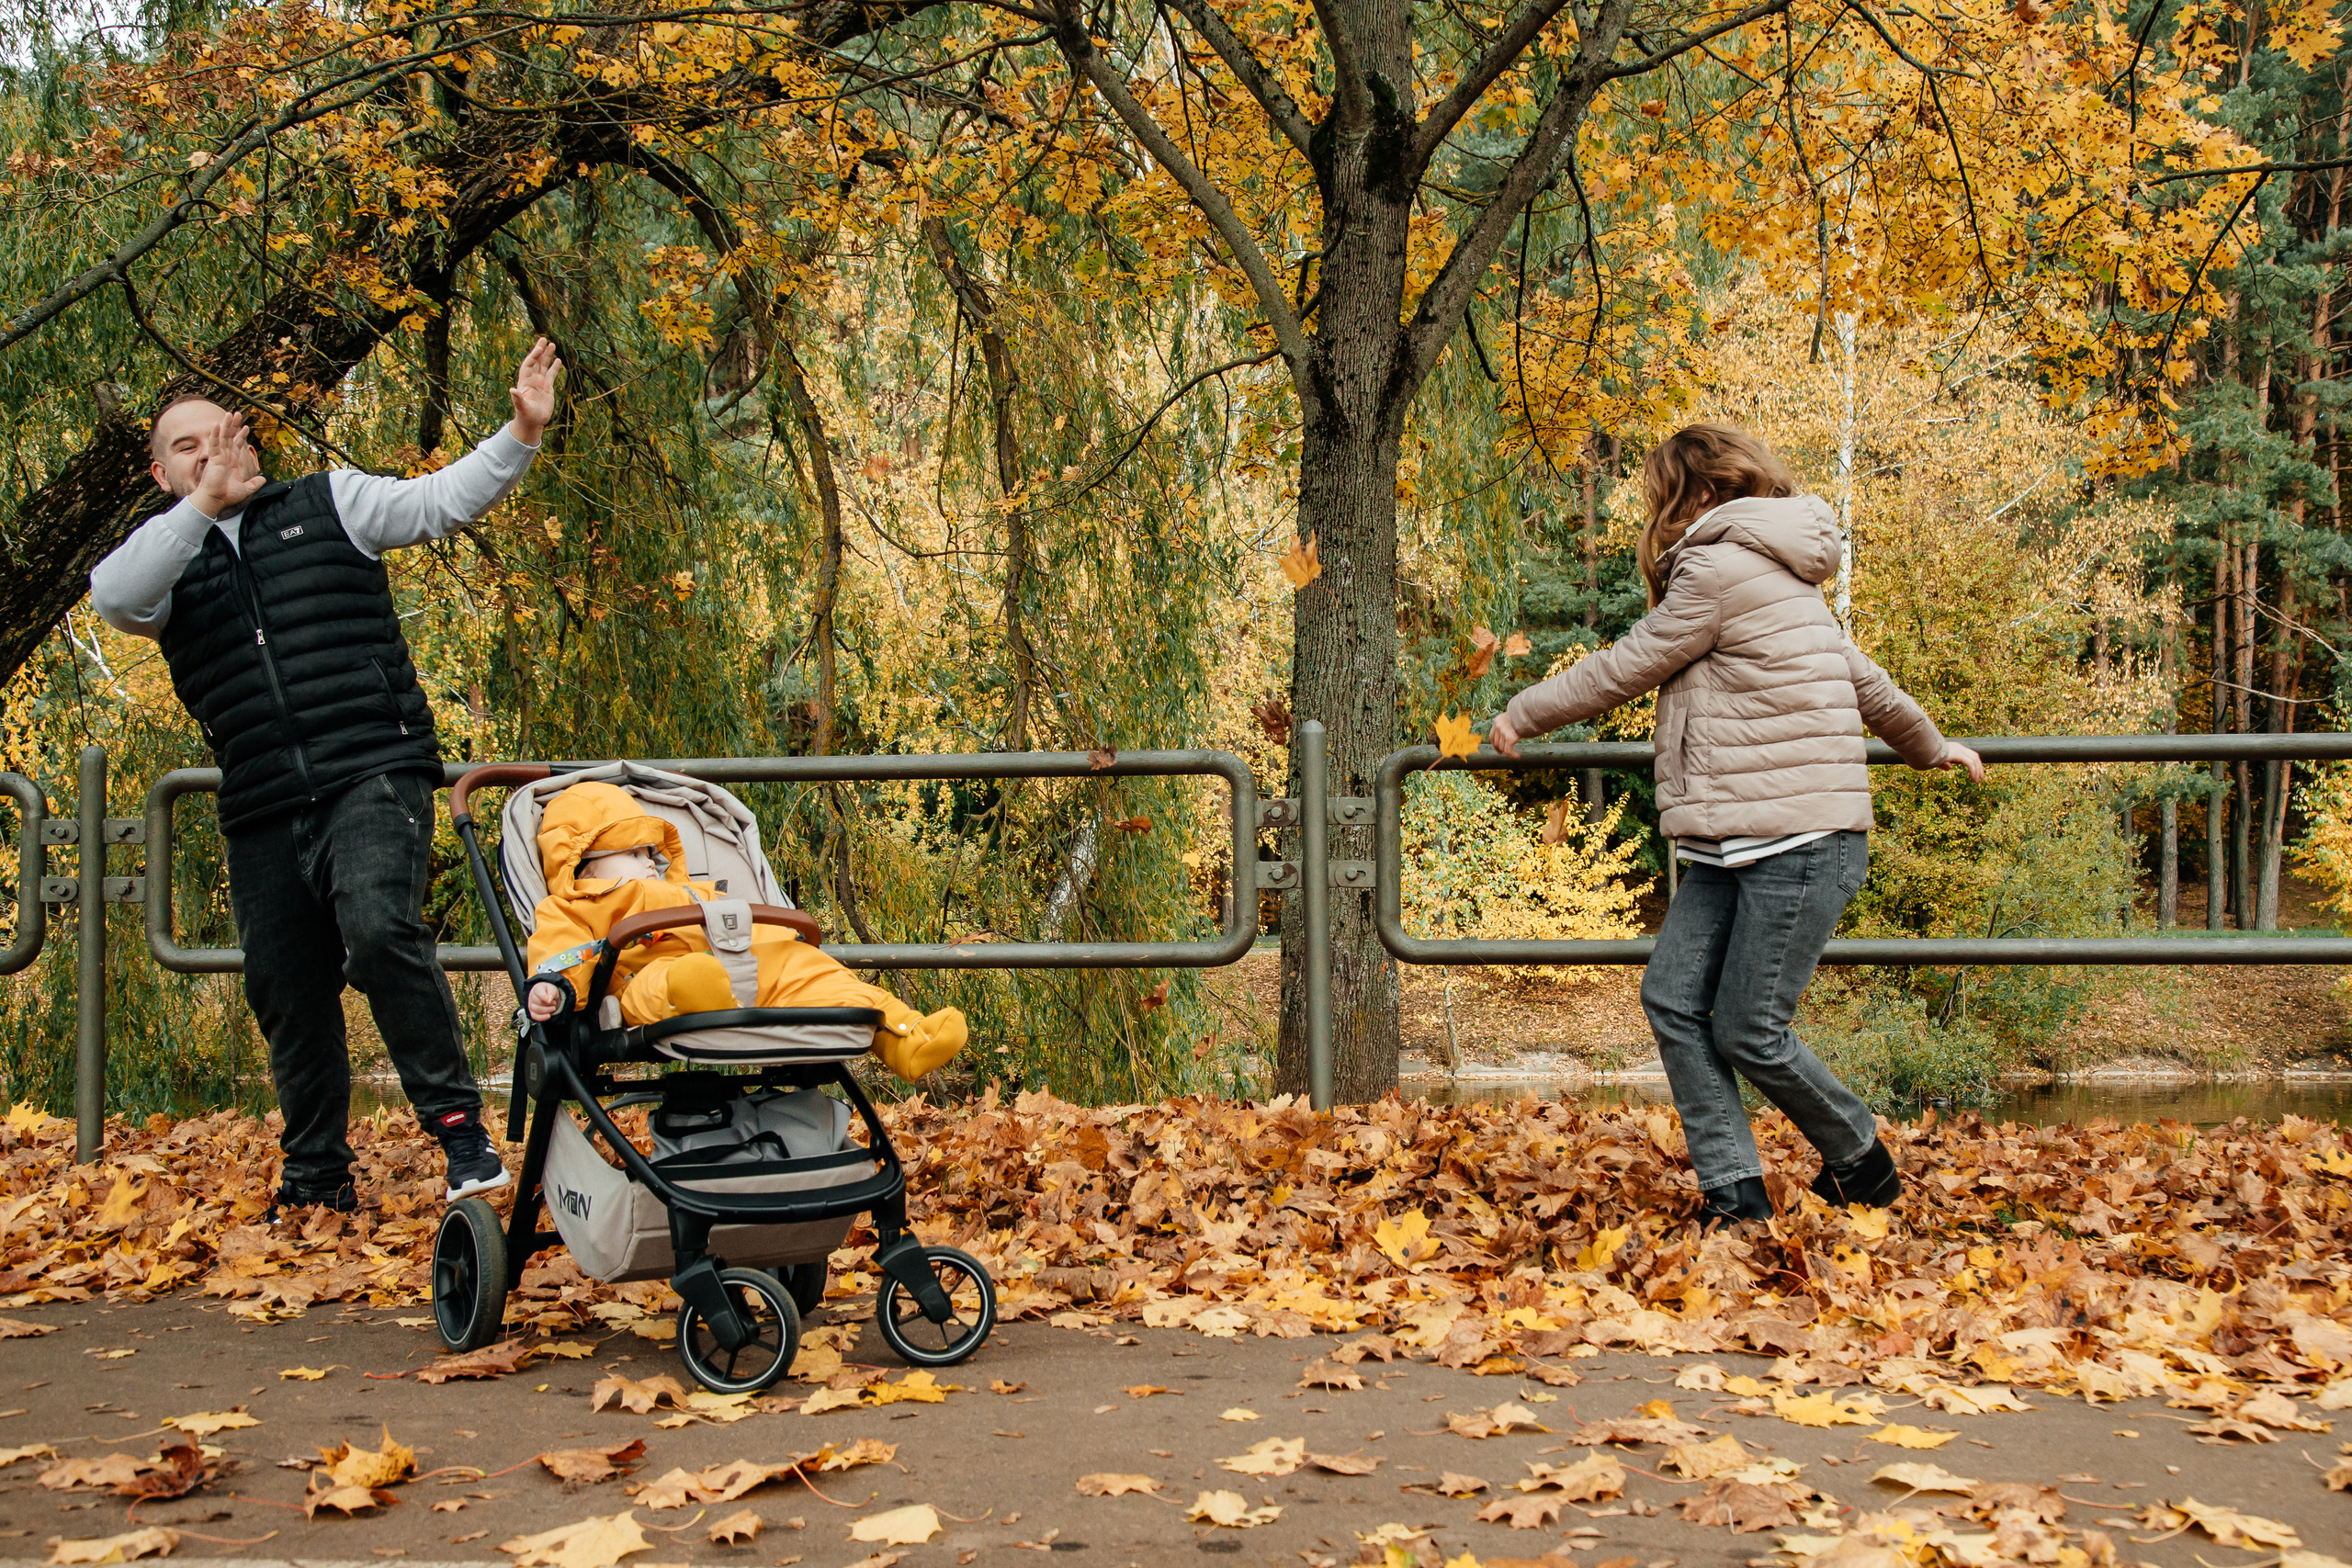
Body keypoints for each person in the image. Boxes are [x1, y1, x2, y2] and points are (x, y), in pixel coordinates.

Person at [89, 342, 566, 1219]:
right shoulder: (162, 560)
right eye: (185, 448)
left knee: (381, 929)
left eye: (218, 435)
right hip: (264, 799)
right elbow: (113, 598)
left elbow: (441, 499)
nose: (209, 453)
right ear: (163, 473)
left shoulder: (330, 501)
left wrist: (520, 432)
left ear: (250, 438)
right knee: (286, 987)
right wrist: (202, 506)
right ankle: (315, 1179)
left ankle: (460, 1129)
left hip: (371, 768)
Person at [1487, 423, 1984, 1228]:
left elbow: (1628, 664)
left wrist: (1523, 713)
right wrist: (1930, 745)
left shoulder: (1719, 568)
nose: (1659, 515)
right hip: (1736, 841)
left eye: (1664, 498)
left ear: (1704, 494)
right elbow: (1870, 683)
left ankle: (1862, 1158)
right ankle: (1736, 1192)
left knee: (1751, 1028)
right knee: (1674, 999)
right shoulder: (1781, 576)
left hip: (1798, 842)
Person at [521, 781, 967, 1080]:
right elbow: (556, 954)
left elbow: (747, 924)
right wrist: (552, 990)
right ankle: (701, 998)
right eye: (632, 853)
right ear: (584, 865)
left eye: (650, 852)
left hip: (733, 963)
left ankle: (904, 1035)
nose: (647, 862)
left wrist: (782, 943)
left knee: (810, 968)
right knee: (667, 982)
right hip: (645, 977)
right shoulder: (571, 908)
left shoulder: (690, 892)